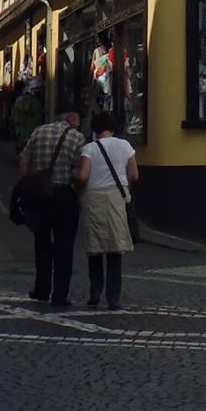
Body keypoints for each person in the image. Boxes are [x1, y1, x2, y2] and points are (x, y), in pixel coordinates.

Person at [19, 111, 86, 307]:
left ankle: (41, 289)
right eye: (78, 121)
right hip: (63, 194)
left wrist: (24, 184)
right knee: (64, 246)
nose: (78, 125)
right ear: (71, 119)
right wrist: (78, 192)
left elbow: (24, 159)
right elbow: (79, 170)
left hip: (39, 193)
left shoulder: (38, 131)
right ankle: (60, 294)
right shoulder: (77, 137)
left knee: (41, 241)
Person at [75, 110, 138, 309]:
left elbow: (83, 176)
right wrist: (123, 186)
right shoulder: (125, 145)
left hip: (94, 197)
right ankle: (113, 297)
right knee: (114, 249)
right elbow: (134, 175)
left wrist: (74, 175)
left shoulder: (89, 148)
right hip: (116, 198)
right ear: (113, 127)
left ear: (95, 129)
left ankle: (95, 292)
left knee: (95, 249)